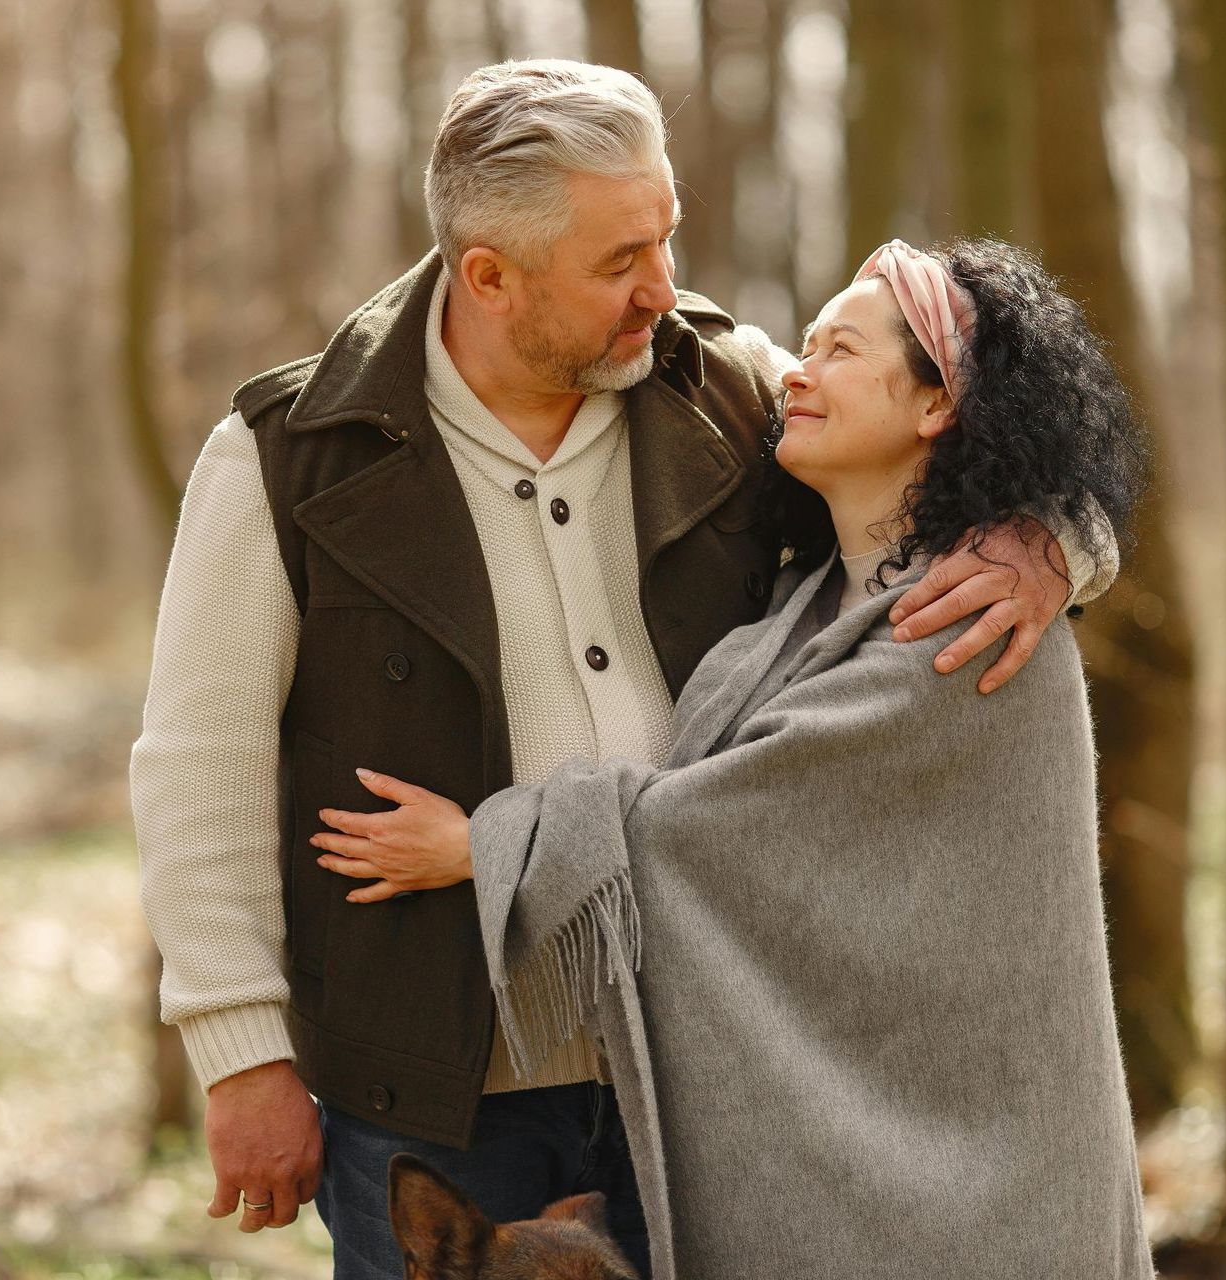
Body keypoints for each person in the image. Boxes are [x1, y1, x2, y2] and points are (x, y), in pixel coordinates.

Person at [130, 60, 1114, 1280]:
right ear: (489, 275)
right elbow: (200, 764)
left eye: (664, 236)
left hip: (707, 1068)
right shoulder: (289, 457)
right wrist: (242, 1053)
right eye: (616, 261)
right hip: (437, 1089)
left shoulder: (727, 386)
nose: (661, 287)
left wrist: (1053, 540)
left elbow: (964, 442)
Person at [313, 238, 1154, 1279]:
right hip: (862, 1187)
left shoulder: (974, 627)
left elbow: (720, 826)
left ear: (938, 406)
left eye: (839, 349)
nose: (793, 371)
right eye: (801, 343)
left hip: (985, 1195)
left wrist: (486, 844)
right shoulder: (795, 611)